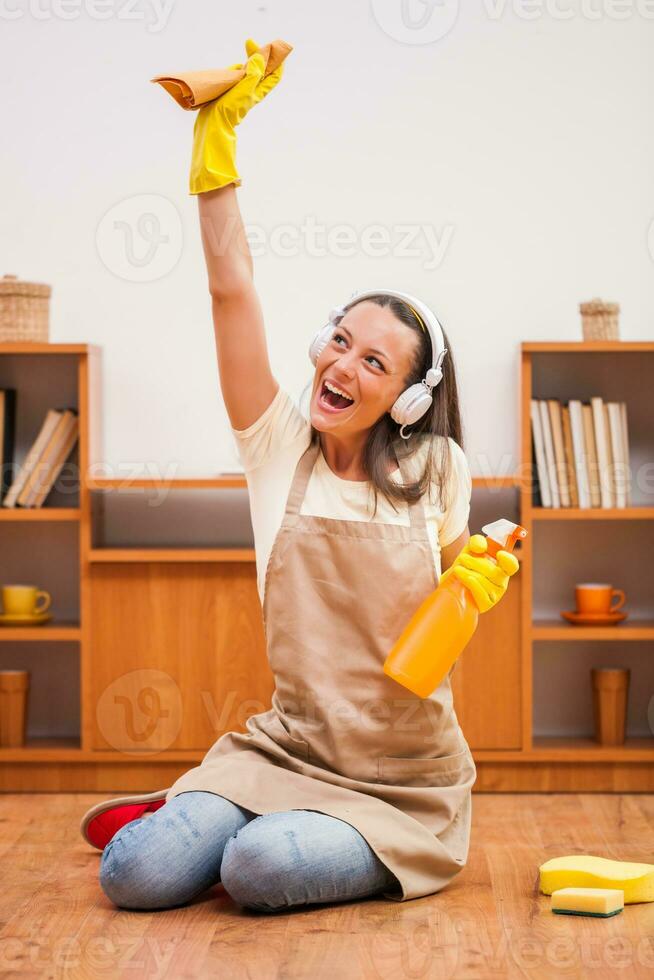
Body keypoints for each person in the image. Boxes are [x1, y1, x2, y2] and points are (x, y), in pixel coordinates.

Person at [83, 39, 519, 914]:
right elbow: (231, 291)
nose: (343, 364)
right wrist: (217, 150)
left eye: (375, 361)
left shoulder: (438, 467)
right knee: (131, 876)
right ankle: (188, 814)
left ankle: (223, 829)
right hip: (285, 750)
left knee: (258, 868)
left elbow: (430, 642)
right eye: (340, 339)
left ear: (406, 401)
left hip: (403, 778)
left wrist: (471, 591)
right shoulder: (277, 446)